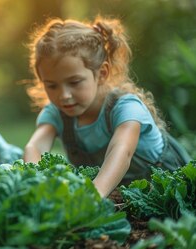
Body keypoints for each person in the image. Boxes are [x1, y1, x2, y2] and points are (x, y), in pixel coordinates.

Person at [23, 16, 192, 197]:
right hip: (119, 195)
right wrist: (37, 185)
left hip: (170, 192)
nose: (64, 95)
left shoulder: (127, 108)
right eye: (52, 85)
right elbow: (35, 147)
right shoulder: (56, 113)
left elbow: (121, 151)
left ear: (102, 73)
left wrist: (93, 196)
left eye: (74, 82)